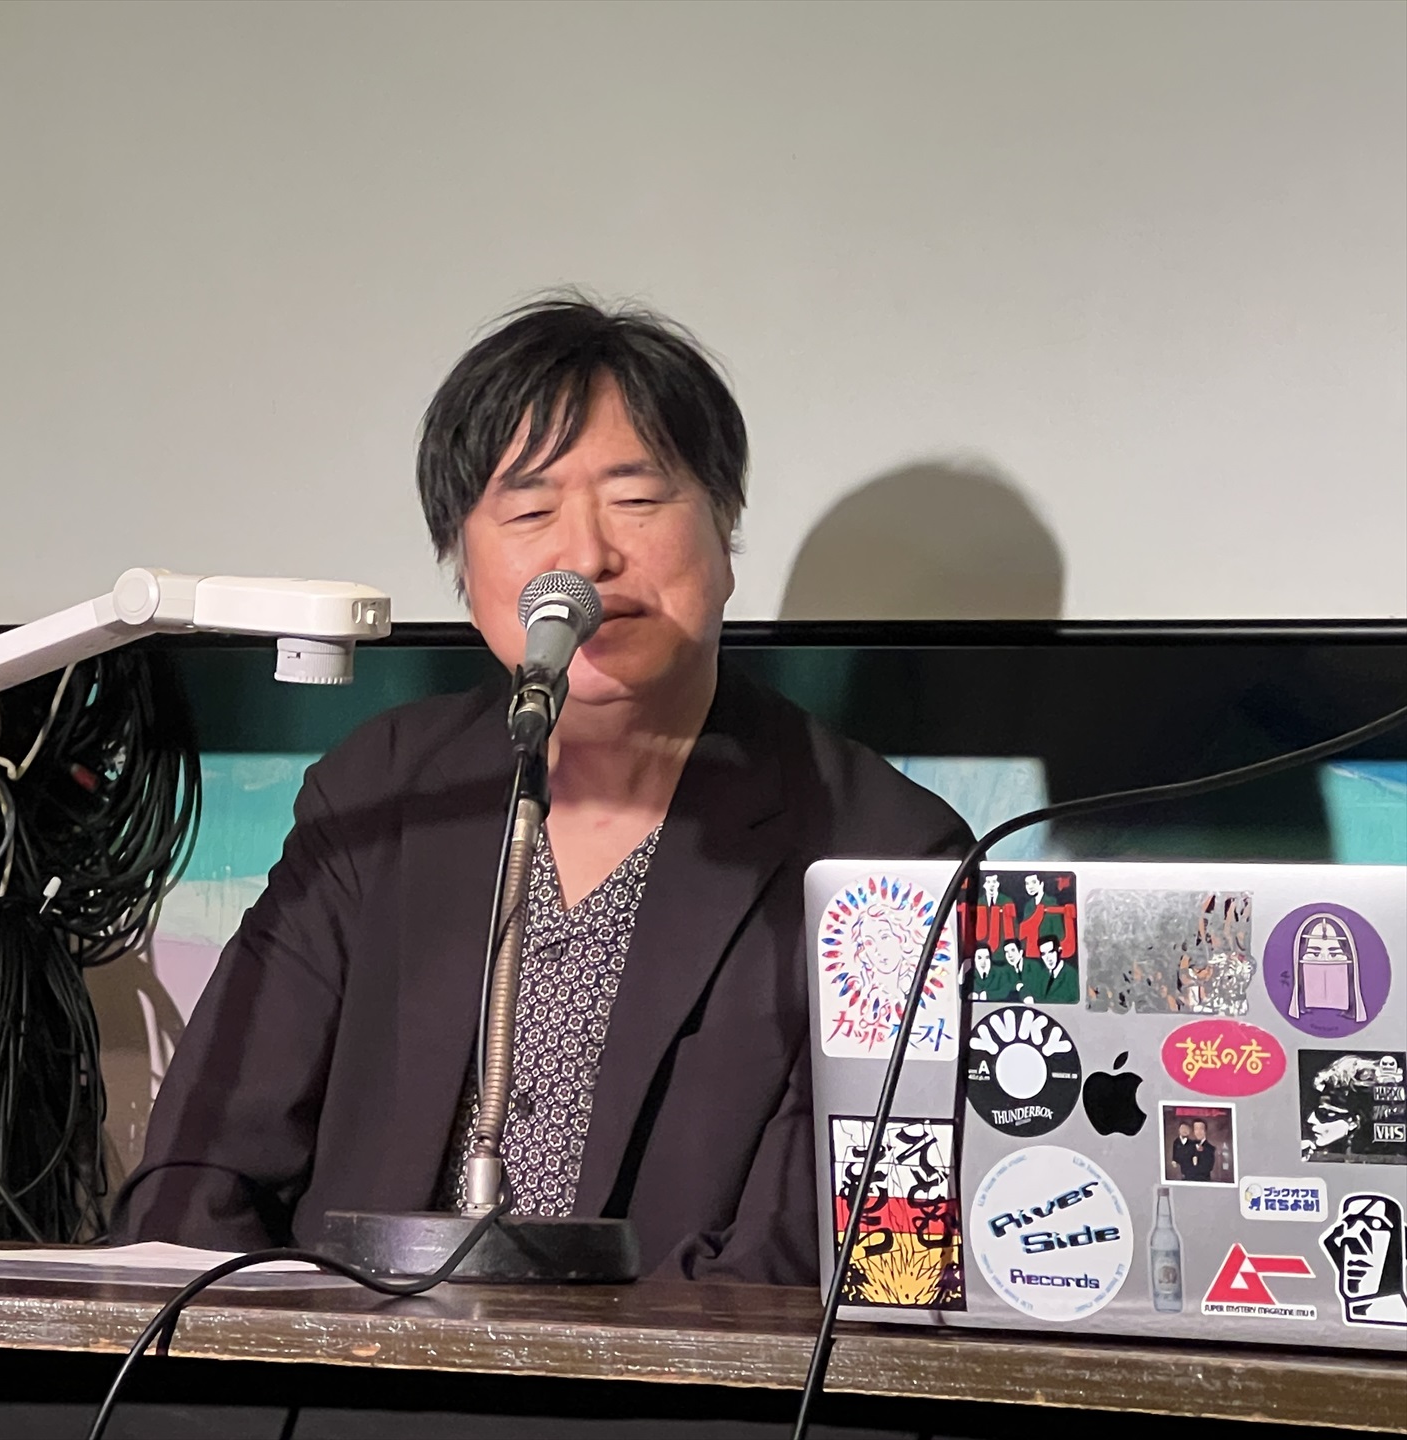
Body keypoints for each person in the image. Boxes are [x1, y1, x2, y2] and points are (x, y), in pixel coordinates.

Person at [114, 297, 971, 1284]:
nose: (586, 560)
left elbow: (837, 1259)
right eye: (528, 513)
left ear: (725, 525)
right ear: (461, 562)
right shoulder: (385, 794)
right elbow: (199, 1169)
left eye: (636, 500)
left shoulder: (889, 854)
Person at [1023, 933, 1078, 1004]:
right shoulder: (1041, 973)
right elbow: (1025, 989)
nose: (1048, 958)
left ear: (1059, 951)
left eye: (1051, 952)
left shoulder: (1072, 975)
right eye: (1043, 954)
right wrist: (1027, 997)